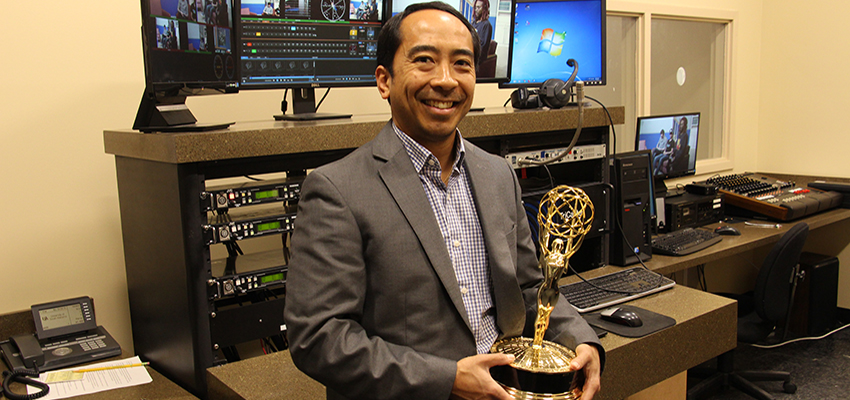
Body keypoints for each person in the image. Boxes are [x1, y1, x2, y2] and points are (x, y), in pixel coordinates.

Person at [284, 2, 603, 400]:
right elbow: (319, 337)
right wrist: (446, 378)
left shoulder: (497, 175)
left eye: (462, 64)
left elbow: (528, 285)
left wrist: (581, 340)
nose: (447, 80)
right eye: (425, 61)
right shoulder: (337, 189)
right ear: (384, 81)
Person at [471, 0, 492, 73]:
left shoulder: (486, 25)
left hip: (478, 58)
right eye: (475, 7)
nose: (476, 10)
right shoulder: (474, 23)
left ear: (484, 9)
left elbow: (482, 46)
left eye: (478, 7)